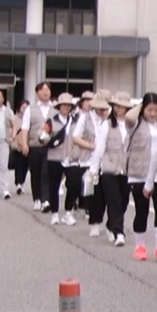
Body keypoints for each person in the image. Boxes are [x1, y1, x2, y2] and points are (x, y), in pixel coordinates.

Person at [85, 92, 137, 247]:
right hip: (108, 168)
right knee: (113, 200)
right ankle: (119, 232)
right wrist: (94, 169)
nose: (118, 108)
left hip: (126, 169)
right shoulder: (106, 125)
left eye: (122, 106)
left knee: (124, 201)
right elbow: (99, 148)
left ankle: (111, 225)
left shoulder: (133, 126)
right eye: (116, 105)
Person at [129, 93, 157, 261]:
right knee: (142, 210)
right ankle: (140, 246)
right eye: (149, 110)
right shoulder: (135, 123)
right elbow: (129, 115)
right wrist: (141, 106)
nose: (153, 114)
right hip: (140, 173)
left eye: (156, 110)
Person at [72, 95, 107, 237]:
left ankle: (110, 224)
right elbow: (76, 137)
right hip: (89, 159)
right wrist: (92, 146)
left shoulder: (111, 120)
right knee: (94, 194)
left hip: (106, 161)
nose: (102, 110)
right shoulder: (85, 117)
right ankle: (94, 222)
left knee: (106, 194)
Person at [42, 93, 80, 224]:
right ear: (59, 106)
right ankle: (55, 213)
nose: (66, 107)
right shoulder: (51, 121)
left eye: (68, 105)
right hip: (55, 156)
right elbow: (42, 137)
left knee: (74, 184)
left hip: (71, 158)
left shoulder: (76, 121)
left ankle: (68, 212)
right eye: (63, 105)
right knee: (54, 185)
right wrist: (52, 141)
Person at [19, 81, 56, 205]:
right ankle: (37, 198)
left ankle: (46, 199)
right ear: (37, 92)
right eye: (42, 90)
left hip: (50, 147)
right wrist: (24, 144)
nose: (45, 92)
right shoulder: (30, 109)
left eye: (47, 90)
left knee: (46, 172)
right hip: (34, 145)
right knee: (35, 172)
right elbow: (25, 128)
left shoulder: (55, 109)